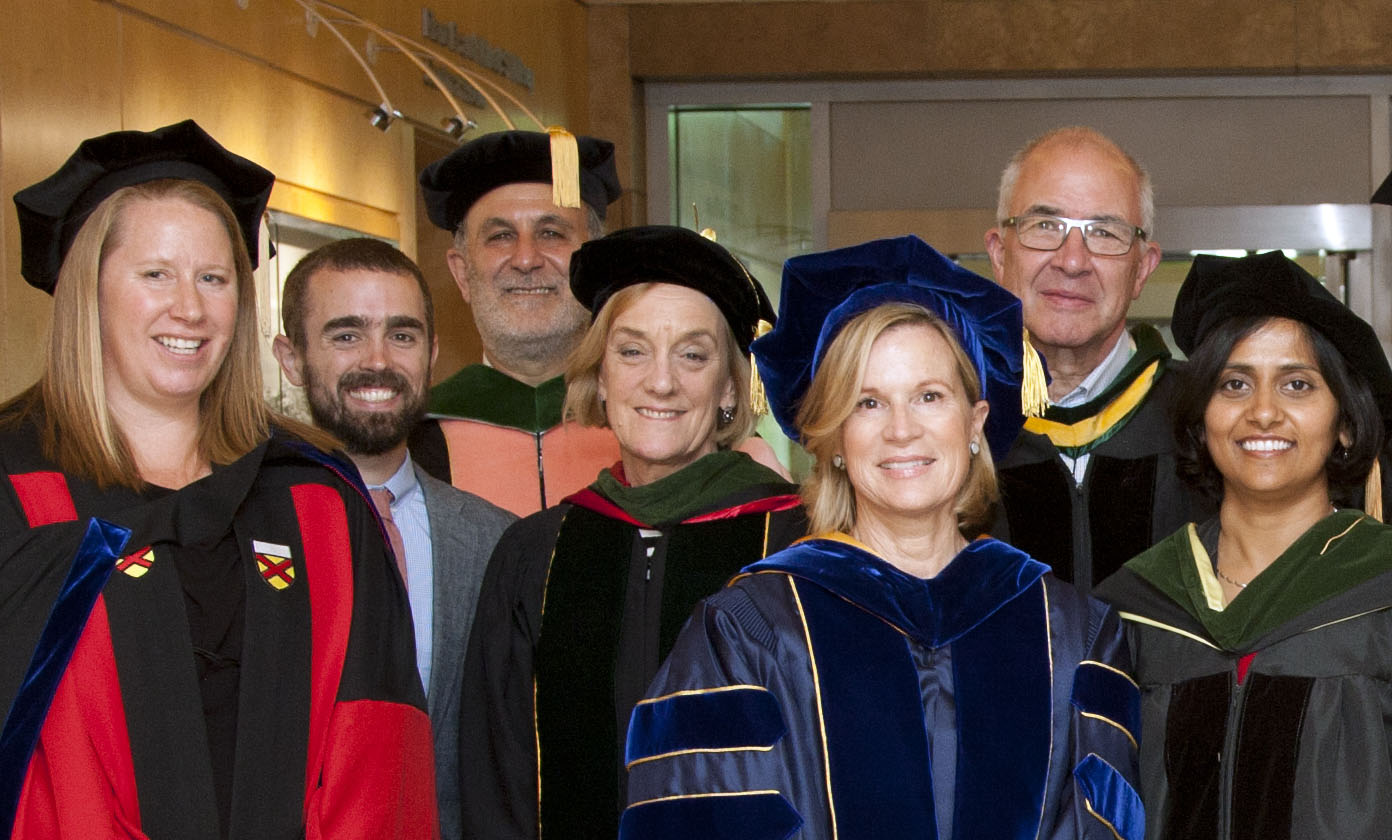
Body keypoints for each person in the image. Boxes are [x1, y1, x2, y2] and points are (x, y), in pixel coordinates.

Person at [621, 235, 1142, 840]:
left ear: (975, 424)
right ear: (834, 439)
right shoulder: (749, 631)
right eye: (868, 403)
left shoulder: (1075, 634)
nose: (902, 430)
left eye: (929, 396)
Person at [0, 121, 435, 838]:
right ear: (89, 290)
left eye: (214, 277)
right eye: (155, 274)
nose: (191, 309)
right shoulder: (19, 496)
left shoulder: (313, 500)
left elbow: (378, 758)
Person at [458, 225, 806, 840]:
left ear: (729, 387)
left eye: (693, 355)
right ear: (601, 376)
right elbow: (495, 778)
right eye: (632, 351)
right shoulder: (536, 553)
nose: (661, 382)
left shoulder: (795, 546)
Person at [1095, 251, 1392, 838]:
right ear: (1202, 417)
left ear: (1346, 424)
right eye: (1234, 383)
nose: (1262, 412)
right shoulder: (1134, 610)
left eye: (1297, 385)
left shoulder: (1380, 592)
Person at [271, 237, 515, 840]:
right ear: (291, 358)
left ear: (432, 353)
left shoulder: (495, 541)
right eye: (346, 335)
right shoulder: (241, 533)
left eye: (402, 335)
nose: (377, 361)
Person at [984, 126, 1210, 593]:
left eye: (1104, 232)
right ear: (999, 254)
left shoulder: (1210, 422)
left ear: (1143, 268)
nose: (1072, 260)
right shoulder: (947, 427)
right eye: (1044, 226)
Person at [409, 129, 625, 515]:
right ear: (462, 274)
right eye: (500, 236)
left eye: (551, 233)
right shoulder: (407, 443)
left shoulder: (660, 427)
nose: (526, 259)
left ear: (597, 266)